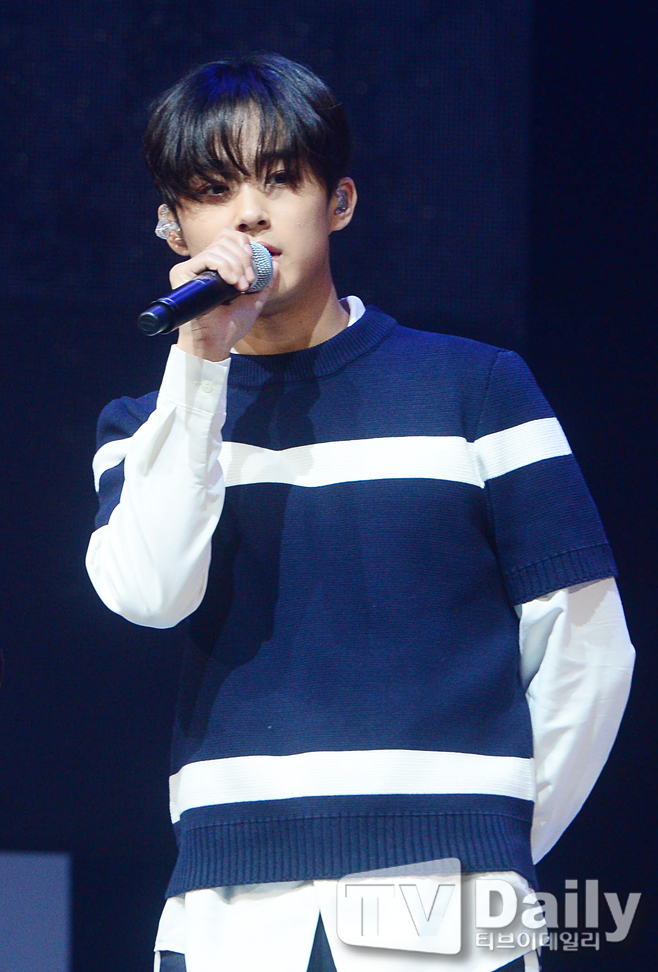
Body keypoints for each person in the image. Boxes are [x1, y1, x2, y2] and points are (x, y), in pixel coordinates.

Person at [85, 53, 635, 972]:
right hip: (231, 909)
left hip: (449, 900)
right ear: (173, 227)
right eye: (214, 191)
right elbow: (149, 593)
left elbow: (587, 648)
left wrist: (492, 840)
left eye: (279, 179)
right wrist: (200, 361)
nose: (250, 215)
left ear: (338, 201)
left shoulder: (476, 387)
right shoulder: (149, 426)